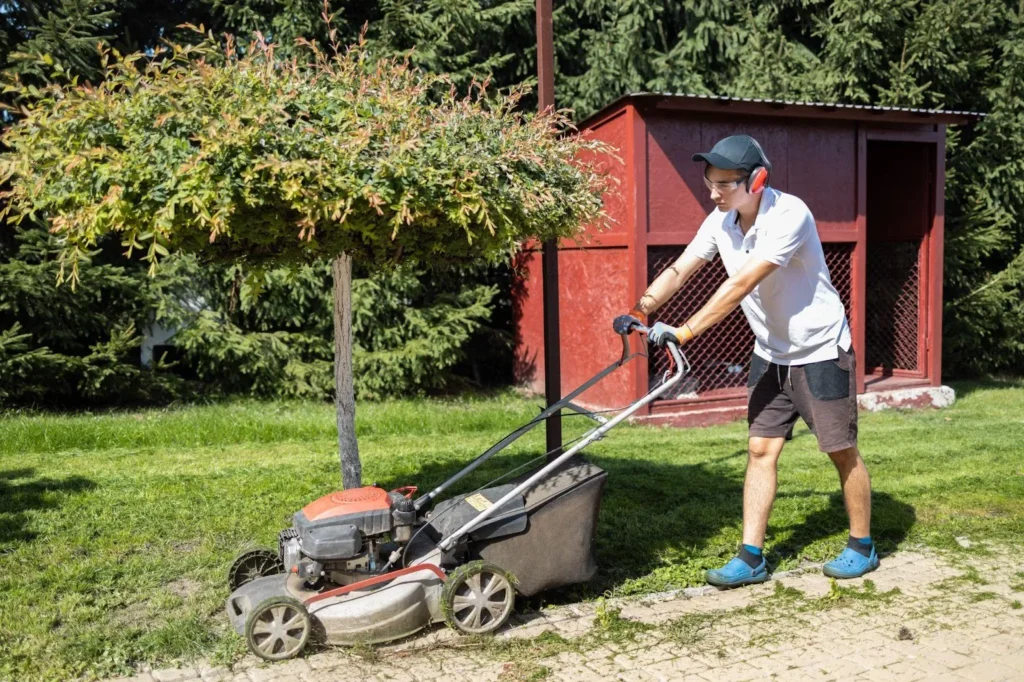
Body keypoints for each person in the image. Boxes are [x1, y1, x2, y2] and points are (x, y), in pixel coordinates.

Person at [616, 134, 878, 587]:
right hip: (771, 353)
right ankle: (751, 557)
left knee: (840, 450)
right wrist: (643, 307)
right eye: (709, 181)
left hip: (820, 349)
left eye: (723, 184)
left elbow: (740, 284)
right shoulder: (722, 220)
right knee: (760, 449)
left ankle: (862, 545)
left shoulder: (789, 216)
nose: (712, 192)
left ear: (756, 180)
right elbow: (682, 268)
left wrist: (684, 331)